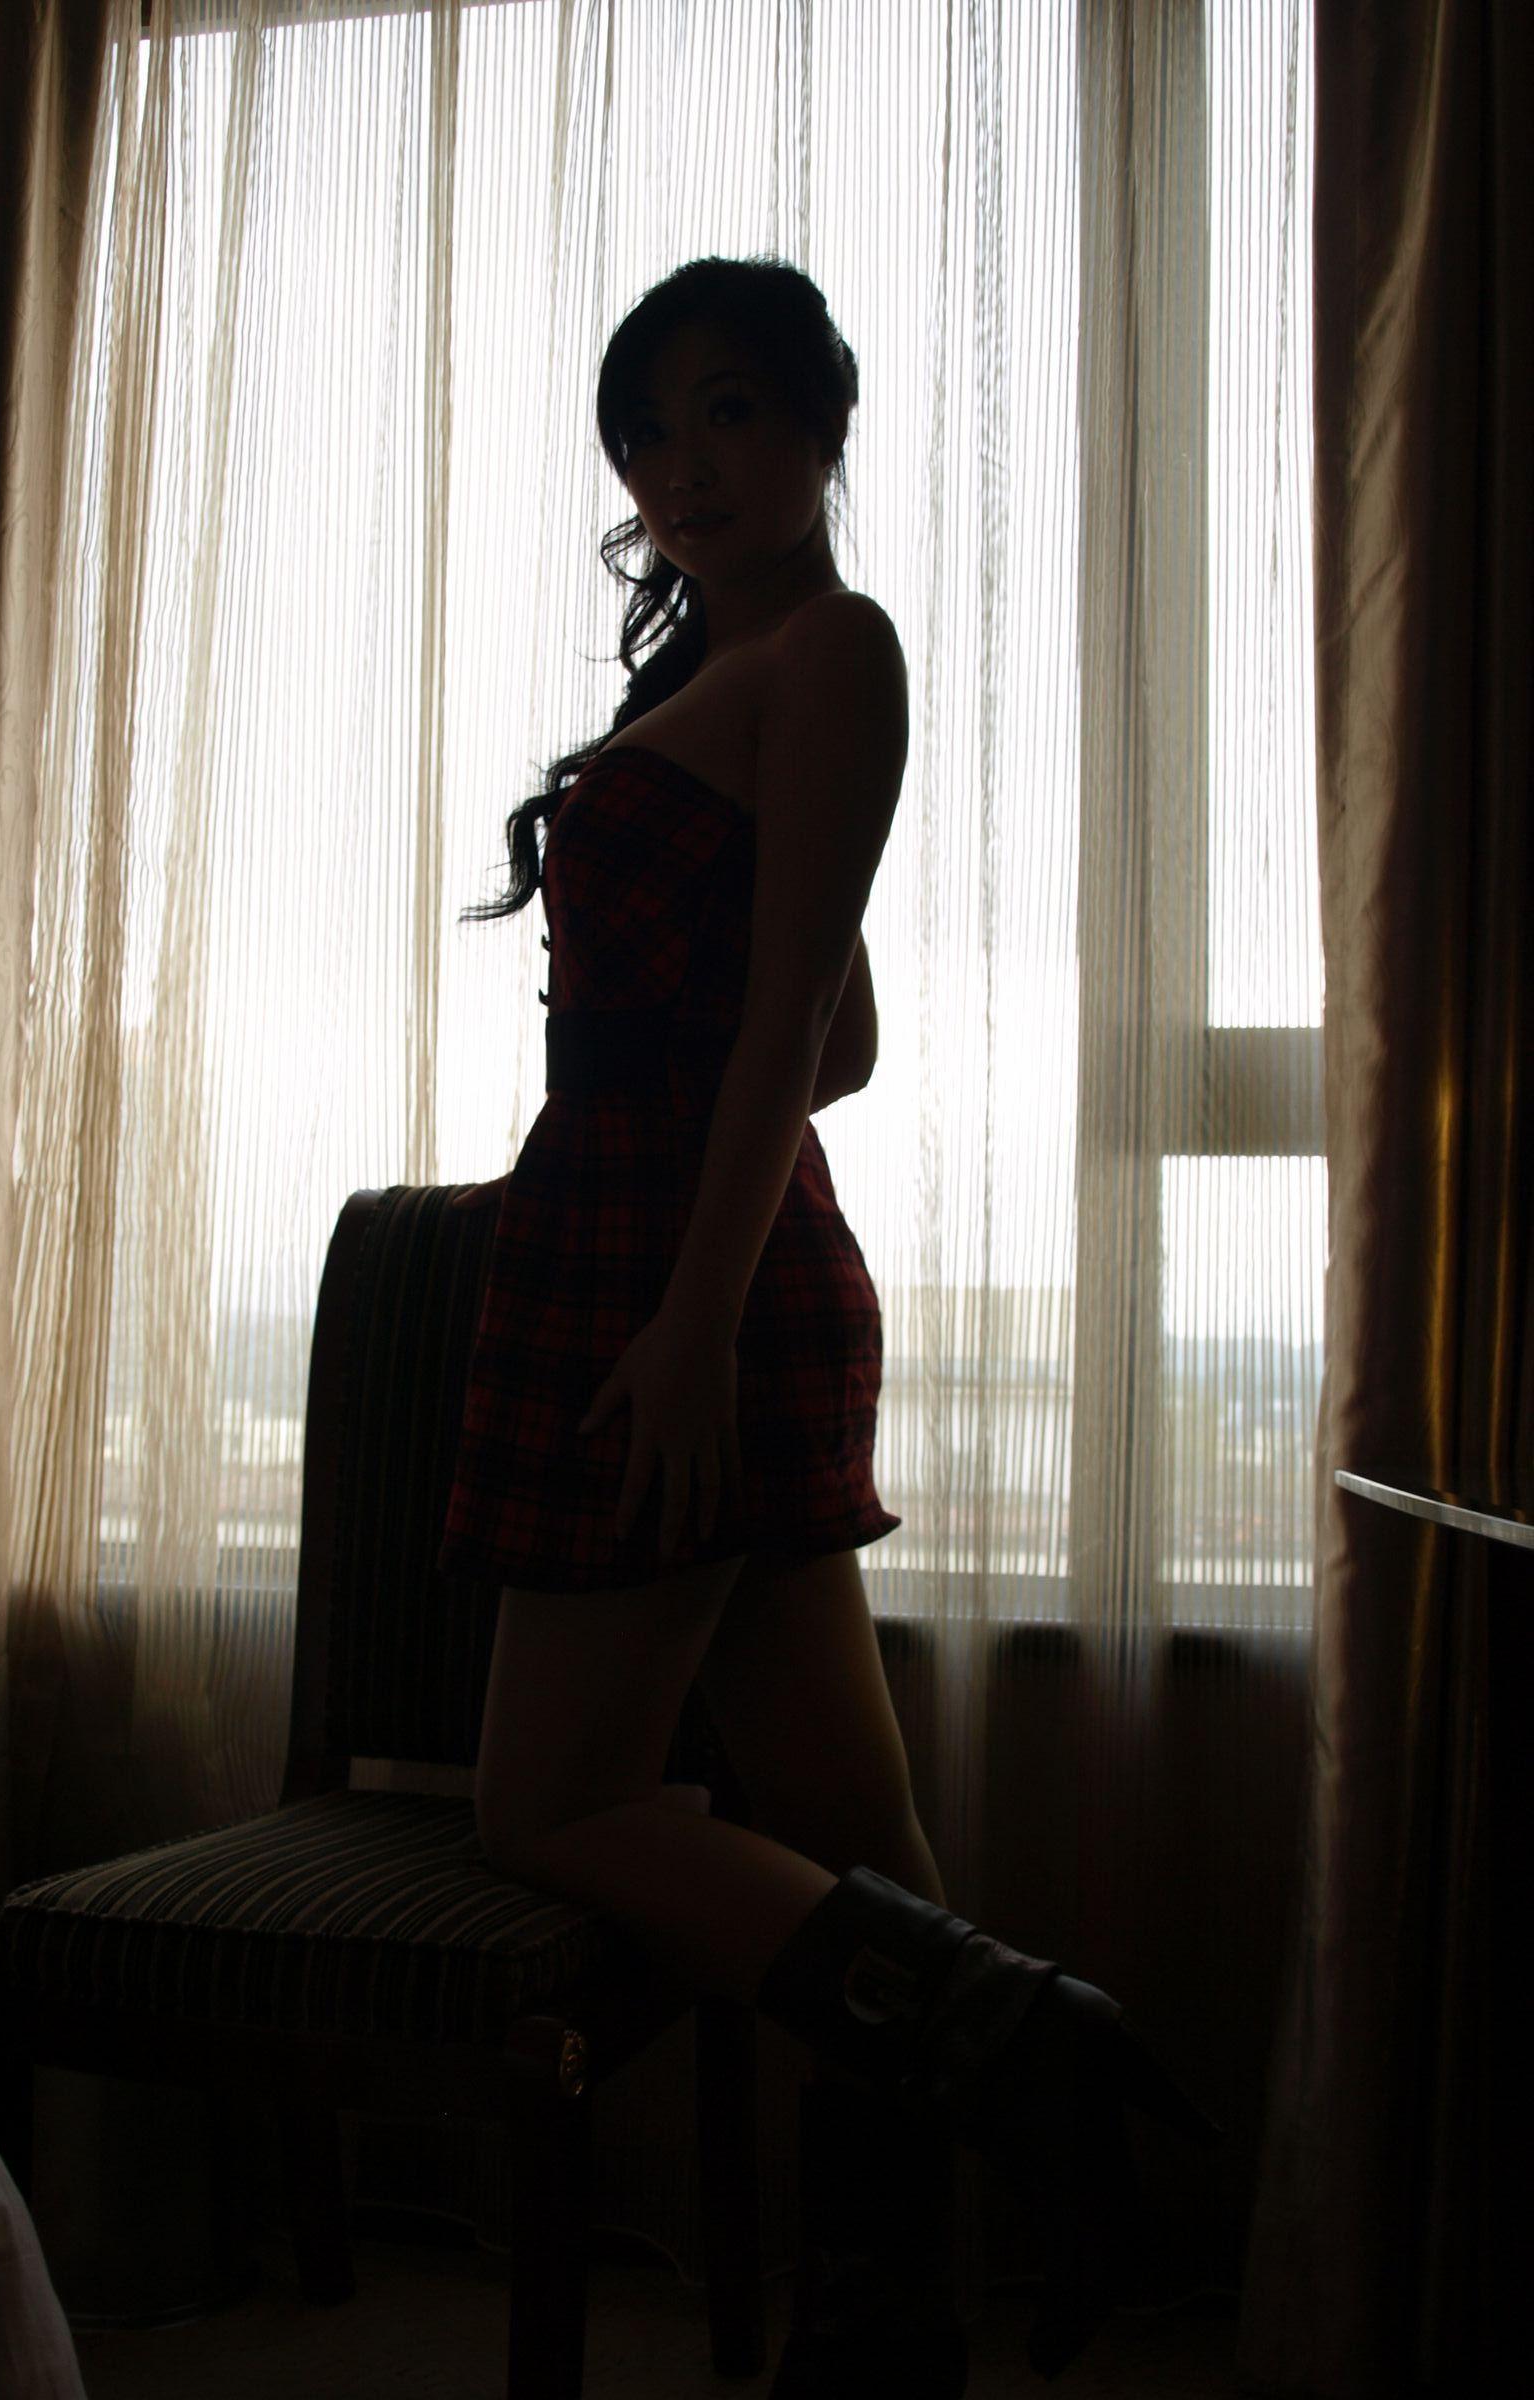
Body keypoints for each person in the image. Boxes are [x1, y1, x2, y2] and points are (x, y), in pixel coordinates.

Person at [438, 255, 1219, 2392]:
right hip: (662, 1232)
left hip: (682, 1274)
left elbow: (793, 1029)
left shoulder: (835, 652)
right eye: (649, 429)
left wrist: (691, 1316)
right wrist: (644, 1129)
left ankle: (1019, 2041)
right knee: (858, 1848)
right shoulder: (730, 675)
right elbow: (837, 1033)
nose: (684, 466)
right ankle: (890, 2333)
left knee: (546, 1804)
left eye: (732, 411)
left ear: (818, 427)